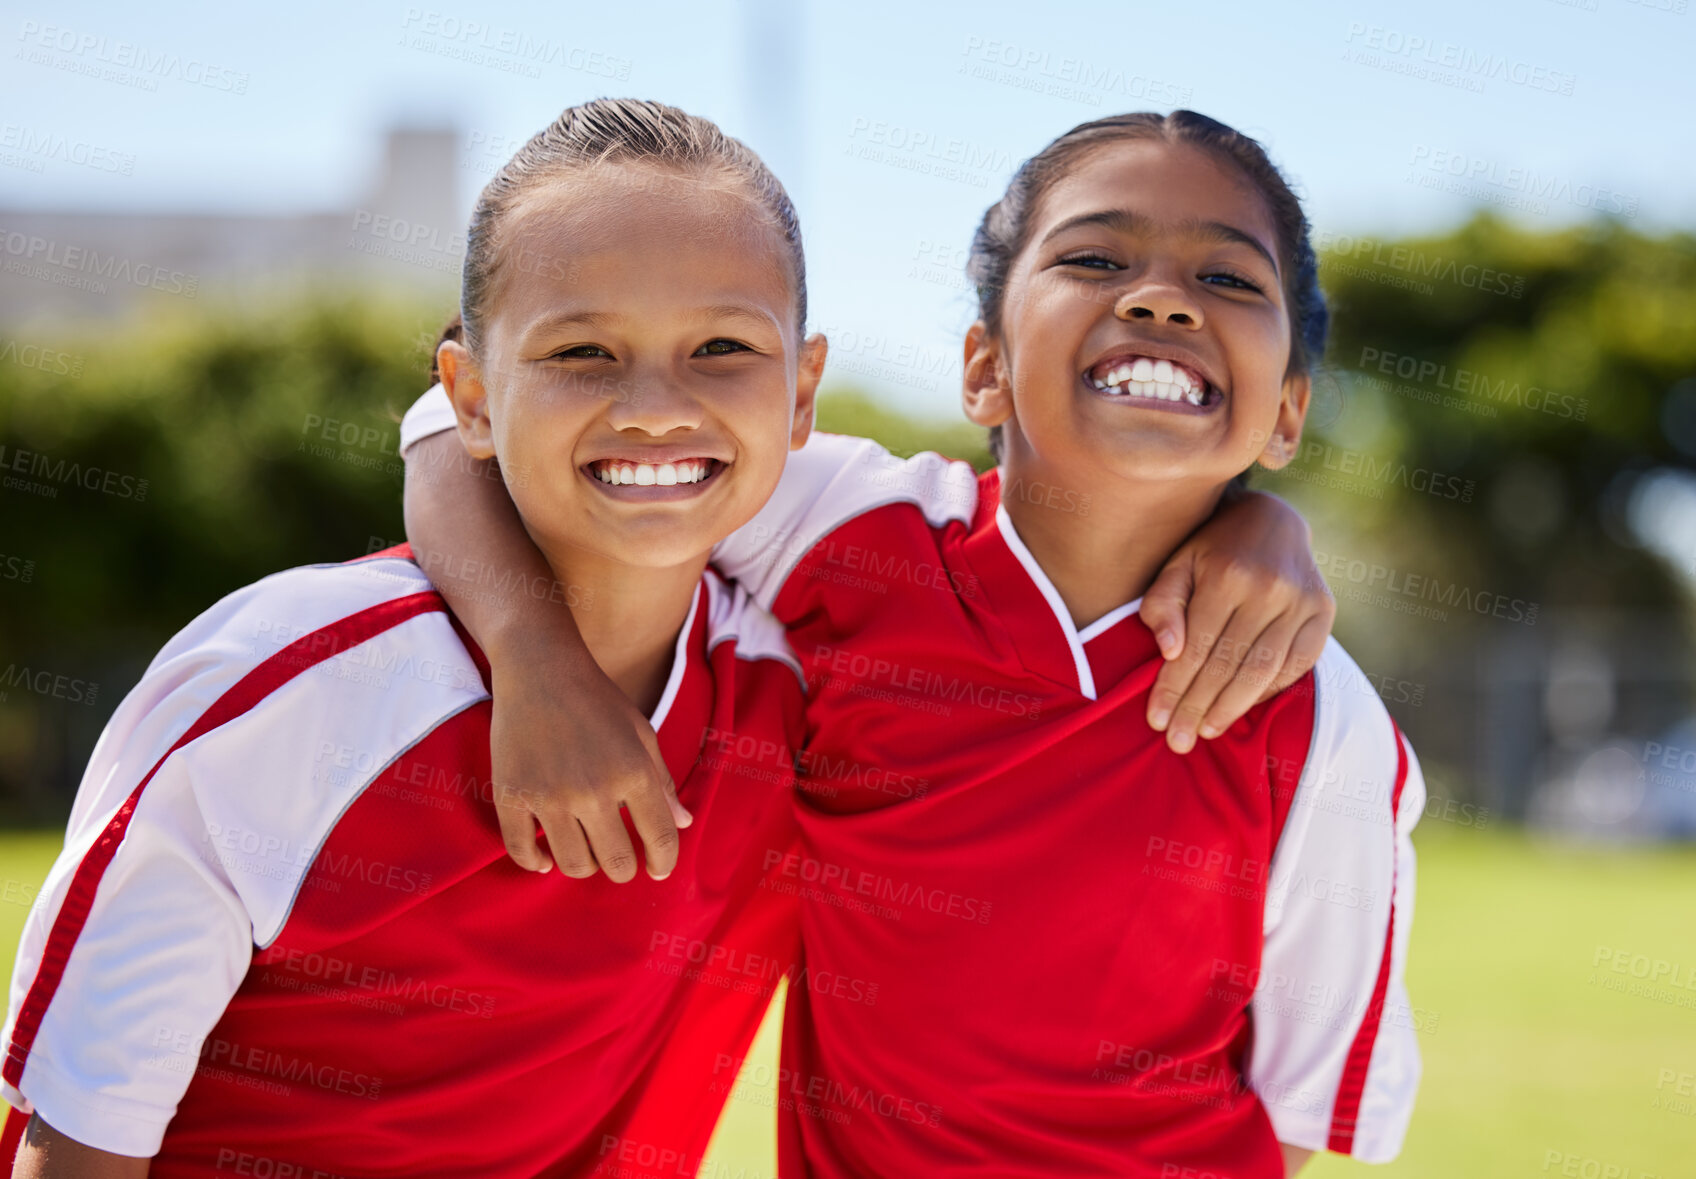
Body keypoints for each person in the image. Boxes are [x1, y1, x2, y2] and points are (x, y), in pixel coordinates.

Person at [399, 112, 1421, 1176]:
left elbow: (1298, 1111)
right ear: (981, 368)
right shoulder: (851, 529)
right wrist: (536, 660)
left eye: (1229, 278)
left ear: (1287, 413)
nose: (1161, 297)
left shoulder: (1323, 725)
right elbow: (451, 421)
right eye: (1093, 258)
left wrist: (1272, 520)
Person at [2, 98, 824, 1178]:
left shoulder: (809, 682)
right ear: (470, 399)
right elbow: (79, 1145)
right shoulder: (293, 686)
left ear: (803, 390)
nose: (656, 405)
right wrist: (533, 659)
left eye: (721, 345)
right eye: (582, 351)